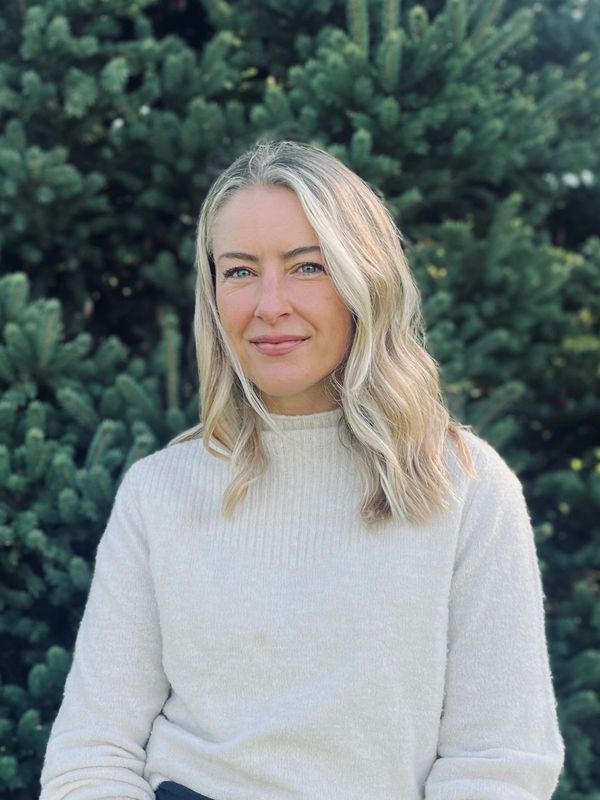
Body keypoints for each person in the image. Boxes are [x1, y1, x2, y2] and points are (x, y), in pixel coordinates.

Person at [39, 139, 565, 800]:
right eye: (239, 271)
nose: (270, 304)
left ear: (363, 279)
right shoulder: (158, 491)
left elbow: (499, 761)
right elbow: (92, 750)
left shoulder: (466, 486)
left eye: (307, 266)